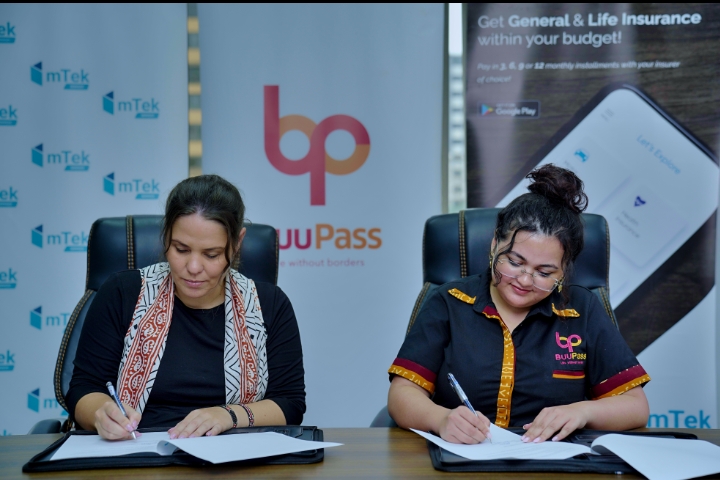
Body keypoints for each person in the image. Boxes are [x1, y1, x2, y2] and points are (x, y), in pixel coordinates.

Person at [387, 164, 650, 444]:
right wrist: (439, 420)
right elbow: (402, 393)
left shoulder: (581, 310)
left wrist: (583, 411)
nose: (525, 280)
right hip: (461, 458)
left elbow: (636, 406)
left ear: (563, 271)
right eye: (514, 262)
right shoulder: (449, 302)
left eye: (545, 272)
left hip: (550, 465)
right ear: (493, 246)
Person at [68, 175, 305, 440]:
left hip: (232, 459)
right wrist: (102, 414)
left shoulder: (269, 304)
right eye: (181, 249)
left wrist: (228, 415)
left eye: (211, 254)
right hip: (136, 452)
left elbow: (290, 404)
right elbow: (83, 389)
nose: (193, 268)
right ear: (166, 235)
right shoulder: (122, 293)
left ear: (237, 243)